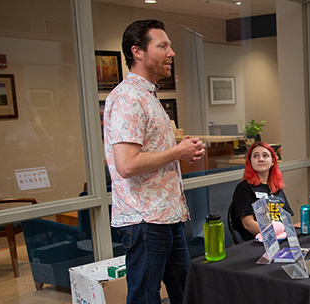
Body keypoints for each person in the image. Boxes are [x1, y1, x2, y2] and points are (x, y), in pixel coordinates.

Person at [104, 20, 205, 304]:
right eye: (163, 46)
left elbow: (148, 155)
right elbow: (127, 165)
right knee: (145, 297)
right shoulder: (128, 98)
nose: (171, 53)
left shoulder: (149, 96)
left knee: (186, 292)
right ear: (137, 52)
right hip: (145, 218)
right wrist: (176, 152)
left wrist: (181, 151)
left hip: (166, 214)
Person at [231, 141, 293, 241]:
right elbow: (248, 224)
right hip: (258, 242)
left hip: (281, 238)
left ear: (272, 161)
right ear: (250, 161)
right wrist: (274, 234)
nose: (261, 159)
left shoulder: (276, 187)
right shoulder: (244, 188)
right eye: (256, 156)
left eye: (265, 155)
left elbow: (286, 218)